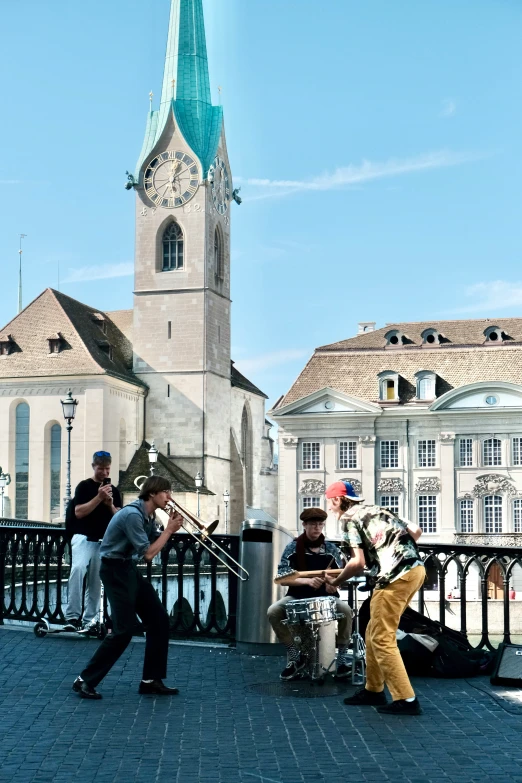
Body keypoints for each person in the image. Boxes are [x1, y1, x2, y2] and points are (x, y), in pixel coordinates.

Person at [72, 476, 183, 700]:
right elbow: (149, 554)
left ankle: (151, 680)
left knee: (159, 619)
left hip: (126, 568)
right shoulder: (133, 515)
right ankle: (84, 680)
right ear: (152, 493)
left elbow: (152, 542)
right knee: (124, 630)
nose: (169, 497)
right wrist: (169, 531)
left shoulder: (148, 515)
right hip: (114, 570)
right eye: (165, 492)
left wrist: (168, 528)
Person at [324, 480, 426, 716]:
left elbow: (357, 562)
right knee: (373, 632)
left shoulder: (348, 519)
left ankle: (406, 699)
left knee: (381, 638)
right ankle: (373, 690)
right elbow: (416, 531)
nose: (330, 509)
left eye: (330, 503)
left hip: (394, 577)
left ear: (338, 500)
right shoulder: (379, 509)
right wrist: (394, 550)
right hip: (415, 570)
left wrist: (335, 582)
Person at [267, 508, 353, 681]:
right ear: (304, 525)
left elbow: (339, 576)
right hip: (297, 596)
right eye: (313, 524)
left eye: (320, 524)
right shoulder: (292, 547)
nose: (317, 528)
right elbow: (282, 578)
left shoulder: (331, 549)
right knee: (273, 611)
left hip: (325, 597)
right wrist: (306, 581)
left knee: (346, 611)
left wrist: (332, 584)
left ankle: (342, 660)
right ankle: (294, 656)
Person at [64, 451, 122, 632]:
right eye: (101, 469)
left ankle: (89, 619)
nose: (104, 473)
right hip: (83, 537)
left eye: (107, 469)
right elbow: (79, 512)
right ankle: (72, 616)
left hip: (103, 541)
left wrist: (109, 504)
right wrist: (98, 498)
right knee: (78, 569)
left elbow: (119, 518)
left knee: (96, 580)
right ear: (93, 467)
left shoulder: (115, 490)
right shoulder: (84, 487)